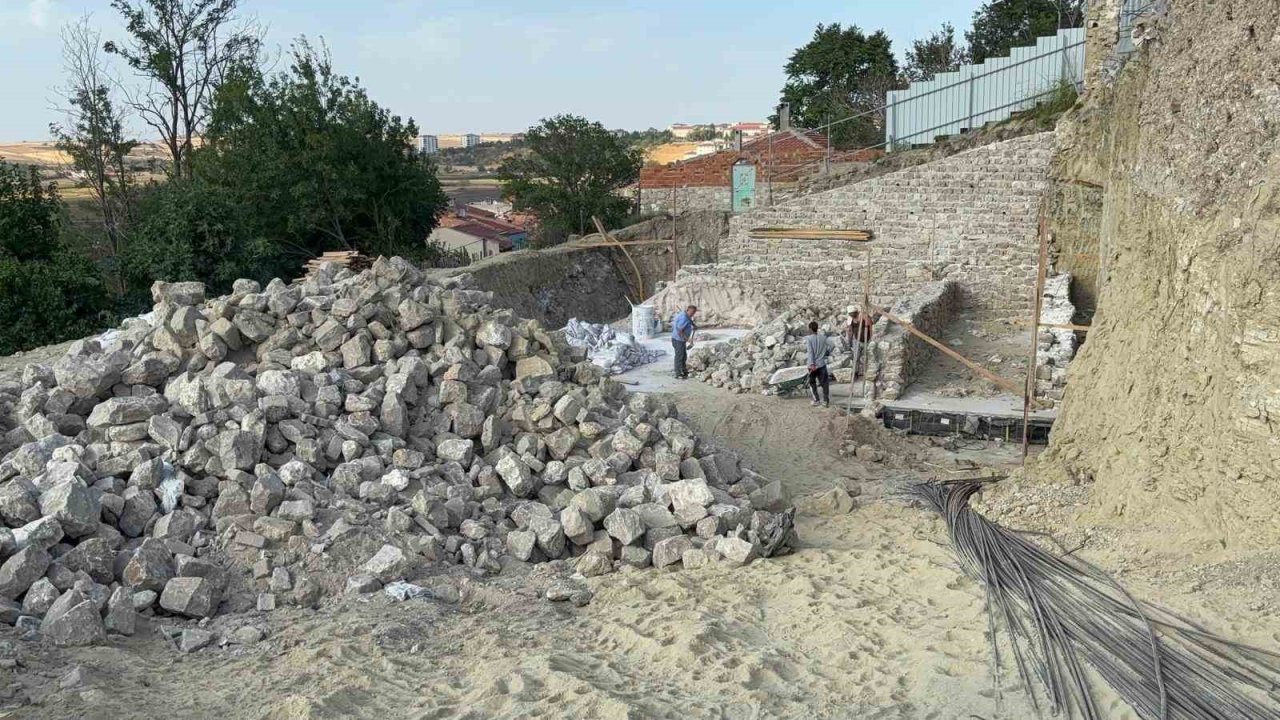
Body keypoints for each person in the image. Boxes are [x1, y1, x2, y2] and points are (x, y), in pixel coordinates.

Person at [843, 305, 879, 379]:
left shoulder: (863, 316)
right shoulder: (850, 319)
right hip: (856, 340)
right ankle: (855, 372)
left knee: (867, 356)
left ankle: (868, 373)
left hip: (867, 339)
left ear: (856, 312)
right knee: (856, 357)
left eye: (852, 313)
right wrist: (849, 341)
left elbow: (871, 327)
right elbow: (850, 330)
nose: (851, 315)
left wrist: (871, 338)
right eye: (850, 314)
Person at [805, 321, 831, 408]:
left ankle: (817, 400)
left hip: (813, 365)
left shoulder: (808, 339)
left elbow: (810, 352)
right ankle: (826, 401)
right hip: (822, 364)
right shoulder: (823, 338)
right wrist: (826, 353)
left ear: (810, 329)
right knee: (824, 383)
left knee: (812, 383)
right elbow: (832, 345)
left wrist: (812, 364)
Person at [671, 305, 698, 379]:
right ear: (688, 310)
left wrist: (693, 325)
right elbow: (680, 331)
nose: (692, 314)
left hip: (680, 340)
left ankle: (683, 370)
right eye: (692, 312)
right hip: (678, 339)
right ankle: (678, 373)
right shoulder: (683, 318)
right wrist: (688, 340)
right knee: (679, 356)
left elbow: (689, 319)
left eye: (694, 313)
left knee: (683, 355)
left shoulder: (686, 314)